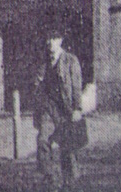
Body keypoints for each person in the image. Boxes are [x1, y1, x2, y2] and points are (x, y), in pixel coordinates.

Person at [33, 28, 83, 190]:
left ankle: (70, 182)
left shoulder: (70, 60)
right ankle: (49, 178)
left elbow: (76, 86)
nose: (50, 42)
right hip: (49, 110)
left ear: (60, 40)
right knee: (42, 140)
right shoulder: (44, 63)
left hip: (66, 110)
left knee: (67, 147)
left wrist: (77, 108)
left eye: (54, 38)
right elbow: (37, 87)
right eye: (48, 39)